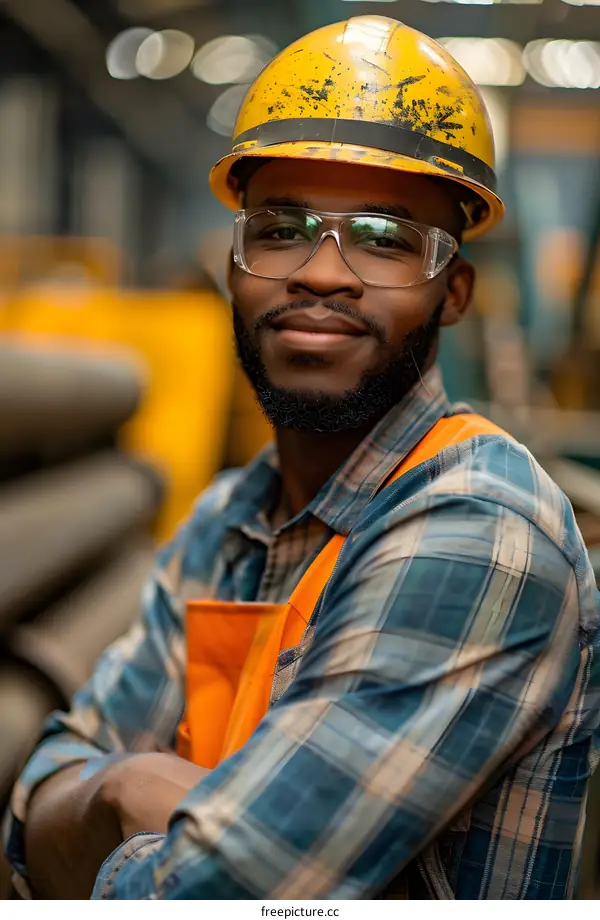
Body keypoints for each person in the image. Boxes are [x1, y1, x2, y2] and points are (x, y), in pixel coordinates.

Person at [4, 15, 600, 900]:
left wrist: (109, 802)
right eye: (281, 227)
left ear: (456, 293)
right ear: (234, 264)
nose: (321, 273)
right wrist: (120, 790)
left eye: (385, 238)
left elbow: (219, 899)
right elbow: (31, 807)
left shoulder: (479, 531)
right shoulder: (227, 520)